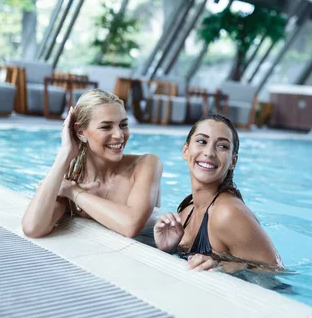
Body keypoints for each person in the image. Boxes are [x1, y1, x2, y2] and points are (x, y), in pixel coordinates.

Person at [22, 89, 162, 239]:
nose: (119, 135)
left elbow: (130, 226)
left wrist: (74, 192)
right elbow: (32, 228)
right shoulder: (70, 180)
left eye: (123, 125)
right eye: (106, 127)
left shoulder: (146, 164)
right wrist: (64, 154)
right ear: (81, 132)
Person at [154, 113, 283, 272]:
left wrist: (222, 266)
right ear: (186, 150)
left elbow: (275, 274)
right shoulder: (187, 213)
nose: (209, 152)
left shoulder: (228, 213)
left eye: (222, 146)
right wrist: (169, 249)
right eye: (202, 141)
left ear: (232, 162)